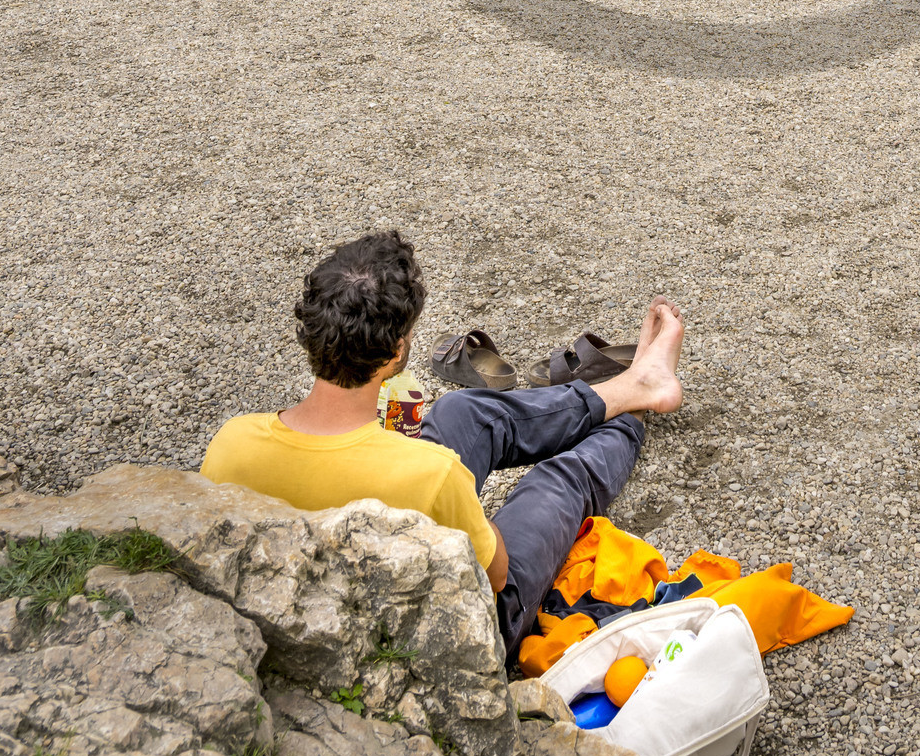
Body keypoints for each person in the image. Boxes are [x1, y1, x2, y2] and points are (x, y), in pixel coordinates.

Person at [201, 231, 684, 661]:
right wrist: (467, 514)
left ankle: (627, 388)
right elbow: (495, 579)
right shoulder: (432, 473)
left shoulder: (232, 443)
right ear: (396, 353)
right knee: (554, 484)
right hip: (464, 628)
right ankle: (633, 414)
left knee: (459, 412)